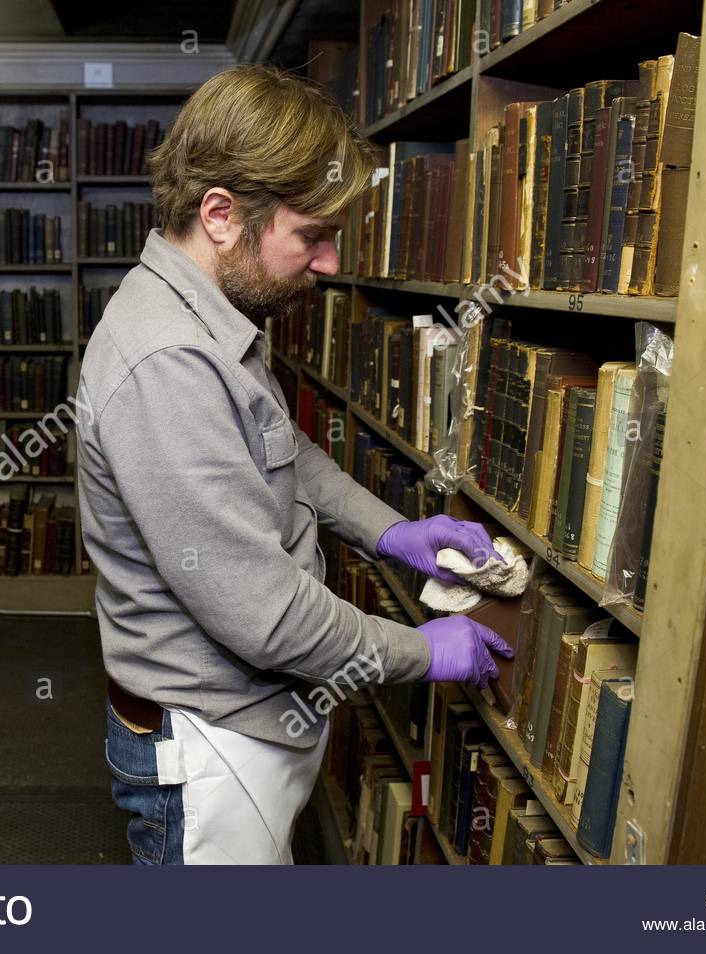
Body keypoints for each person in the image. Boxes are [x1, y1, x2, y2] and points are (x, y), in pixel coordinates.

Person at [75, 63, 512, 865]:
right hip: (208, 749)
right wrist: (423, 652)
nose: (330, 264)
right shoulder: (169, 359)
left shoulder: (214, 314)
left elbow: (284, 450)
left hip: (243, 729)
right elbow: (264, 615)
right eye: (311, 235)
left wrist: (392, 533)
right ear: (219, 215)